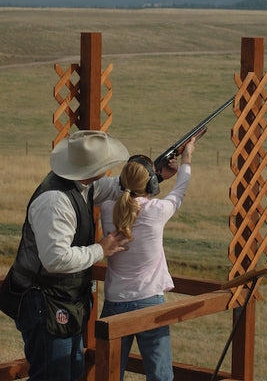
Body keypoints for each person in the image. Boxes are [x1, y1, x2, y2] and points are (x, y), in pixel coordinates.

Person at [0, 130, 133, 381]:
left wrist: (154, 174)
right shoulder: (55, 201)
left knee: (69, 372)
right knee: (54, 376)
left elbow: (110, 187)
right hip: (43, 301)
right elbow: (55, 260)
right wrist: (101, 250)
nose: (107, 170)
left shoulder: (81, 184)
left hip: (59, 301)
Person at [100, 137, 196, 381]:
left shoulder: (107, 209)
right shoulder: (157, 211)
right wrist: (187, 159)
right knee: (160, 376)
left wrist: (155, 175)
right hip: (149, 302)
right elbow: (181, 190)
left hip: (114, 301)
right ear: (151, 184)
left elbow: (127, 196)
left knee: (110, 374)